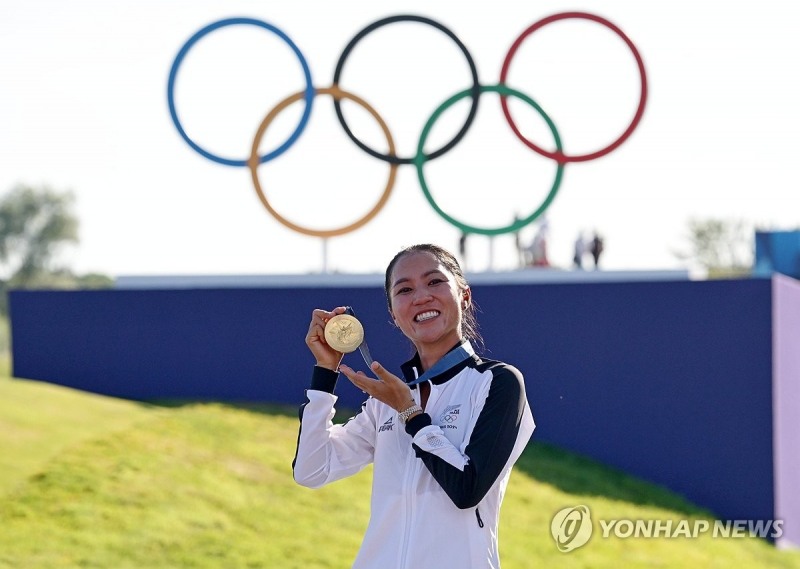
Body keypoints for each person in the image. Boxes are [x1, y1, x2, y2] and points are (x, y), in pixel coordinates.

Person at [294, 243, 535, 568]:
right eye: (404, 289)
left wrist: (411, 414)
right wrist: (325, 372)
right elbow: (311, 470)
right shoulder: (388, 400)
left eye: (435, 282)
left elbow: (467, 490)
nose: (421, 296)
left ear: (464, 295)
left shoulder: (497, 382)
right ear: (394, 314)